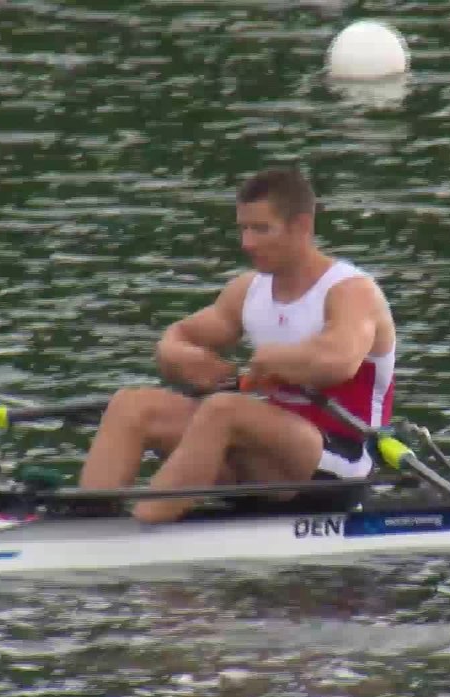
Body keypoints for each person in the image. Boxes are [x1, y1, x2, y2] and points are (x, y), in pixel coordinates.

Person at [79, 166, 397, 523]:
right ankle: (87, 525)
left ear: (302, 227)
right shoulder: (248, 291)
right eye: (244, 228)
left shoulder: (352, 292)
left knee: (223, 410)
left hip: (340, 462)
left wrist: (275, 361)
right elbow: (177, 337)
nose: (247, 243)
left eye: (261, 229)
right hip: (268, 460)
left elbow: (340, 360)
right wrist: (182, 356)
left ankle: (143, 523)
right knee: (132, 405)